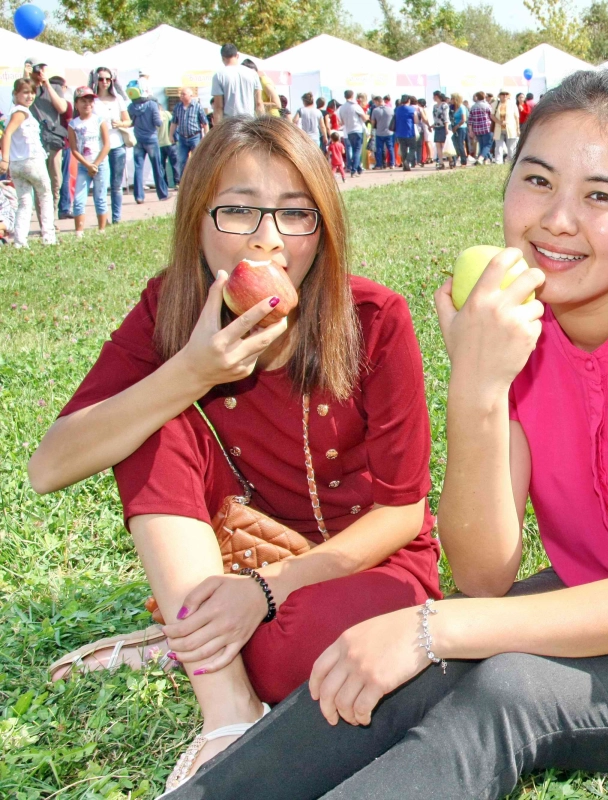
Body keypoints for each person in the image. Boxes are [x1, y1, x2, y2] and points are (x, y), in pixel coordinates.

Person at [164, 67, 608, 800]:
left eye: (601, 196)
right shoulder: (514, 334)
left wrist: (428, 628)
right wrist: (478, 384)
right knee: (419, 654)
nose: (557, 220)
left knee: (505, 684)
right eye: (536, 181)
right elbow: (483, 577)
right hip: (586, 602)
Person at [31, 115, 441, 791]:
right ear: (196, 217)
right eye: (238, 210)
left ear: (325, 225)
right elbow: (49, 467)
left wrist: (264, 592)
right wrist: (191, 371)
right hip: (247, 554)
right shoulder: (171, 307)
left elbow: (402, 514)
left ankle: (188, 634)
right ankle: (225, 706)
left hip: (363, 563)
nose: (267, 238)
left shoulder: (375, 320)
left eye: (295, 213)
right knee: (151, 415)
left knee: (316, 654)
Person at [0, 78, 59, 246]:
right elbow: (7, 133)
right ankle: (49, 237)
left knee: (24, 203)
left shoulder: (14, 111)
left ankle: (20, 241)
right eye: (25, 92)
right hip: (31, 160)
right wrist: (4, 158)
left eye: (32, 92)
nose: (30, 96)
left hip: (17, 164)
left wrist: (8, 160)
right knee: (45, 195)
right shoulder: (22, 112)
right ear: (15, 94)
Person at [27, 64, 71, 223]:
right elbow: (20, 103)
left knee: (55, 182)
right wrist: (27, 78)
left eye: (42, 69)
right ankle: (45, 222)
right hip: (34, 141)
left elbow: (62, 108)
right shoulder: (27, 88)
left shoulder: (54, 87)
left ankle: (51, 217)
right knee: (40, 183)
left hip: (53, 140)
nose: (39, 73)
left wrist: (46, 83)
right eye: (36, 70)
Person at [65, 86, 111, 236]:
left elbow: (106, 145)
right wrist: (87, 165)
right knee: (78, 199)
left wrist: (96, 164)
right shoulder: (73, 124)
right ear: (76, 104)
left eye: (90, 101)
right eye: (83, 101)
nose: (87, 104)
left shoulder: (99, 121)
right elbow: (74, 149)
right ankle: (79, 232)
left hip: (100, 164)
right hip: (83, 166)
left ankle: (101, 229)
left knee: (100, 197)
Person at [92, 67, 132, 224]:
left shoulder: (118, 99)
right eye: (101, 79)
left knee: (116, 184)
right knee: (100, 185)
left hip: (116, 144)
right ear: (96, 80)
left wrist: (120, 123)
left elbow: (128, 121)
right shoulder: (92, 100)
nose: (104, 82)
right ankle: (102, 218)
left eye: (108, 79)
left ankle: (116, 218)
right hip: (98, 146)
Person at [127, 87, 169, 203]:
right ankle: (162, 194)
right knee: (157, 167)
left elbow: (130, 123)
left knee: (138, 168)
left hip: (138, 139)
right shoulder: (152, 105)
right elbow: (158, 123)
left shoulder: (131, 107)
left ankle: (139, 197)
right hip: (151, 139)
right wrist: (160, 116)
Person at [211, 45, 263, 125]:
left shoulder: (218, 76)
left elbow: (218, 107)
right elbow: (259, 103)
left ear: (222, 58)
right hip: (250, 123)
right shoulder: (253, 74)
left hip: (229, 125)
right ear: (237, 55)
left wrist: (217, 130)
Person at [171, 88, 208, 176]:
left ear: (190, 96)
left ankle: (198, 179)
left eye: (184, 94)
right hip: (182, 137)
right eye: (181, 94)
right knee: (182, 160)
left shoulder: (197, 106)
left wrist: (206, 136)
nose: (182, 96)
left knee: (197, 160)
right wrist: (171, 135)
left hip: (195, 137)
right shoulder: (178, 107)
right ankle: (183, 182)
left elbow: (205, 123)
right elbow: (174, 122)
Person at [337, 90, 367, 177]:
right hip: (357, 129)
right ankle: (354, 170)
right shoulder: (355, 106)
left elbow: (341, 122)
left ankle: (358, 169)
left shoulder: (341, 108)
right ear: (352, 95)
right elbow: (364, 118)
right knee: (357, 151)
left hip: (349, 131)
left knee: (354, 150)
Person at [393, 96, 418, 171]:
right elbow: (416, 121)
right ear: (409, 100)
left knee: (403, 149)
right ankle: (407, 161)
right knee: (413, 148)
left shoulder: (397, 109)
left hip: (399, 132)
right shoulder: (412, 109)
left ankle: (405, 165)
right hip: (409, 132)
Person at [469, 91, 494, 165]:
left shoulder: (473, 107)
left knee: (482, 145)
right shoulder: (487, 106)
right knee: (487, 145)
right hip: (487, 128)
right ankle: (481, 158)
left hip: (477, 129)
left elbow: (470, 120)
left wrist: (470, 130)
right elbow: (492, 116)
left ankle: (485, 161)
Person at [369, 96, 393, 170]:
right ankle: (392, 164)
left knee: (379, 149)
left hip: (379, 132)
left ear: (377, 102)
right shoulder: (390, 109)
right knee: (390, 148)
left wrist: (372, 129)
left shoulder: (375, 110)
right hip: (389, 132)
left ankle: (379, 165)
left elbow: (373, 122)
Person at [431, 91, 450, 169]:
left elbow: (446, 117)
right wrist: (433, 125)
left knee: (444, 145)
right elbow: (435, 118)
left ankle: (450, 159)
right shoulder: (435, 106)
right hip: (437, 127)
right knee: (438, 145)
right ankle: (441, 162)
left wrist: (446, 128)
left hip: (443, 126)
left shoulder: (444, 105)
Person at [450, 93, 468, 167]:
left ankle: (463, 161)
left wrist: (457, 126)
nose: (451, 100)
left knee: (460, 144)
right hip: (453, 126)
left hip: (461, 127)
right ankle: (454, 161)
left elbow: (464, 119)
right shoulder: (452, 107)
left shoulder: (462, 107)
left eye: (452, 99)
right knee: (454, 144)